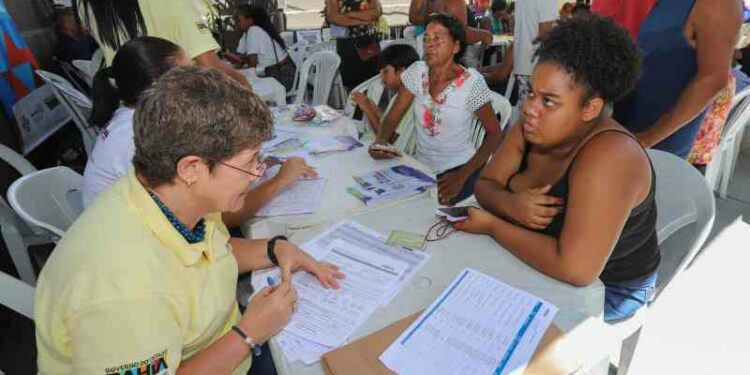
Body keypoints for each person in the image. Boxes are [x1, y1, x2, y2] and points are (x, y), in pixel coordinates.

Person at [35, 66, 344, 374]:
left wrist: (274, 249)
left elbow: (208, 256)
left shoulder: (164, 195)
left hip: (224, 342)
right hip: (234, 346)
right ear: (191, 168)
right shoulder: (124, 292)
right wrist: (249, 334)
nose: (256, 175)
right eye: (250, 163)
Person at [455, 15, 659, 323]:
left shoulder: (610, 157)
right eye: (531, 93)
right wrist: (512, 205)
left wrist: (494, 225)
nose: (530, 108)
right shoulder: (531, 125)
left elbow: (575, 269)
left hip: (610, 289)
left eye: (549, 102)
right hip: (546, 258)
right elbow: (484, 186)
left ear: (590, 108)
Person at [82, 37, 317, 227]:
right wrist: (280, 180)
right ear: (163, 87)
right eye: (190, 74)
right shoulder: (143, 137)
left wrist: (249, 162)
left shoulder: (132, 120)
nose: (200, 80)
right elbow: (220, 220)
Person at [369, 14, 503, 206]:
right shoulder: (417, 72)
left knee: (434, 222)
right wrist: (380, 141)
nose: (429, 44)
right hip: (422, 168)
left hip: (459, 169)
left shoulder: (471, 83)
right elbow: (392, 117)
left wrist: (461, 177)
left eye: (437, 38)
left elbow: (495, 134)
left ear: (456, 46)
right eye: (426, 39)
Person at [612, 0, 741, 159]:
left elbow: (713, 79)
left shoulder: (719, 5)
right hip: (627, 122)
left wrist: (647, 138)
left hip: (657, 142)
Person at [75, 0, 251, 88]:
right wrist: (244, 84)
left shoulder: (87, 4)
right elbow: (209, 64)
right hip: (175, 106)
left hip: (128, 107)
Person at [349, 44, 420, 146]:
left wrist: (368, 109)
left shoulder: (407, 101)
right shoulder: (399, 95)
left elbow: (387, 139)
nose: (381, 77)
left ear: (402, 72)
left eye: (386, 71)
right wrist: (374, 107)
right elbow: (387, 122)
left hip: (392, 153)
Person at [232, 4, 295, 91]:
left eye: (238, 20)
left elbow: (252, 64)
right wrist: (242, 59)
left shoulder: (254, 31)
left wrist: (243, 60)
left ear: (250, 20)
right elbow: (239, 55)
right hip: (286, 73)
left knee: (244, 88)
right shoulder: (250, 32)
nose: (235, 23)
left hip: (283, 77)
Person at [326, 0, 383, 91]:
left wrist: (348, 15)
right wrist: (363, 20)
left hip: (369, 43)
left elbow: (376, 12)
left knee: (374, 83)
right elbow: (333, 17)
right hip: (347, 46)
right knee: (353, 88)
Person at [511, 0, 558, 104]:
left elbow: (513, 24)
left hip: (523, 64)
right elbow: (545, 31)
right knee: (540, 113)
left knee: (527, 111)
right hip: (538, 66)